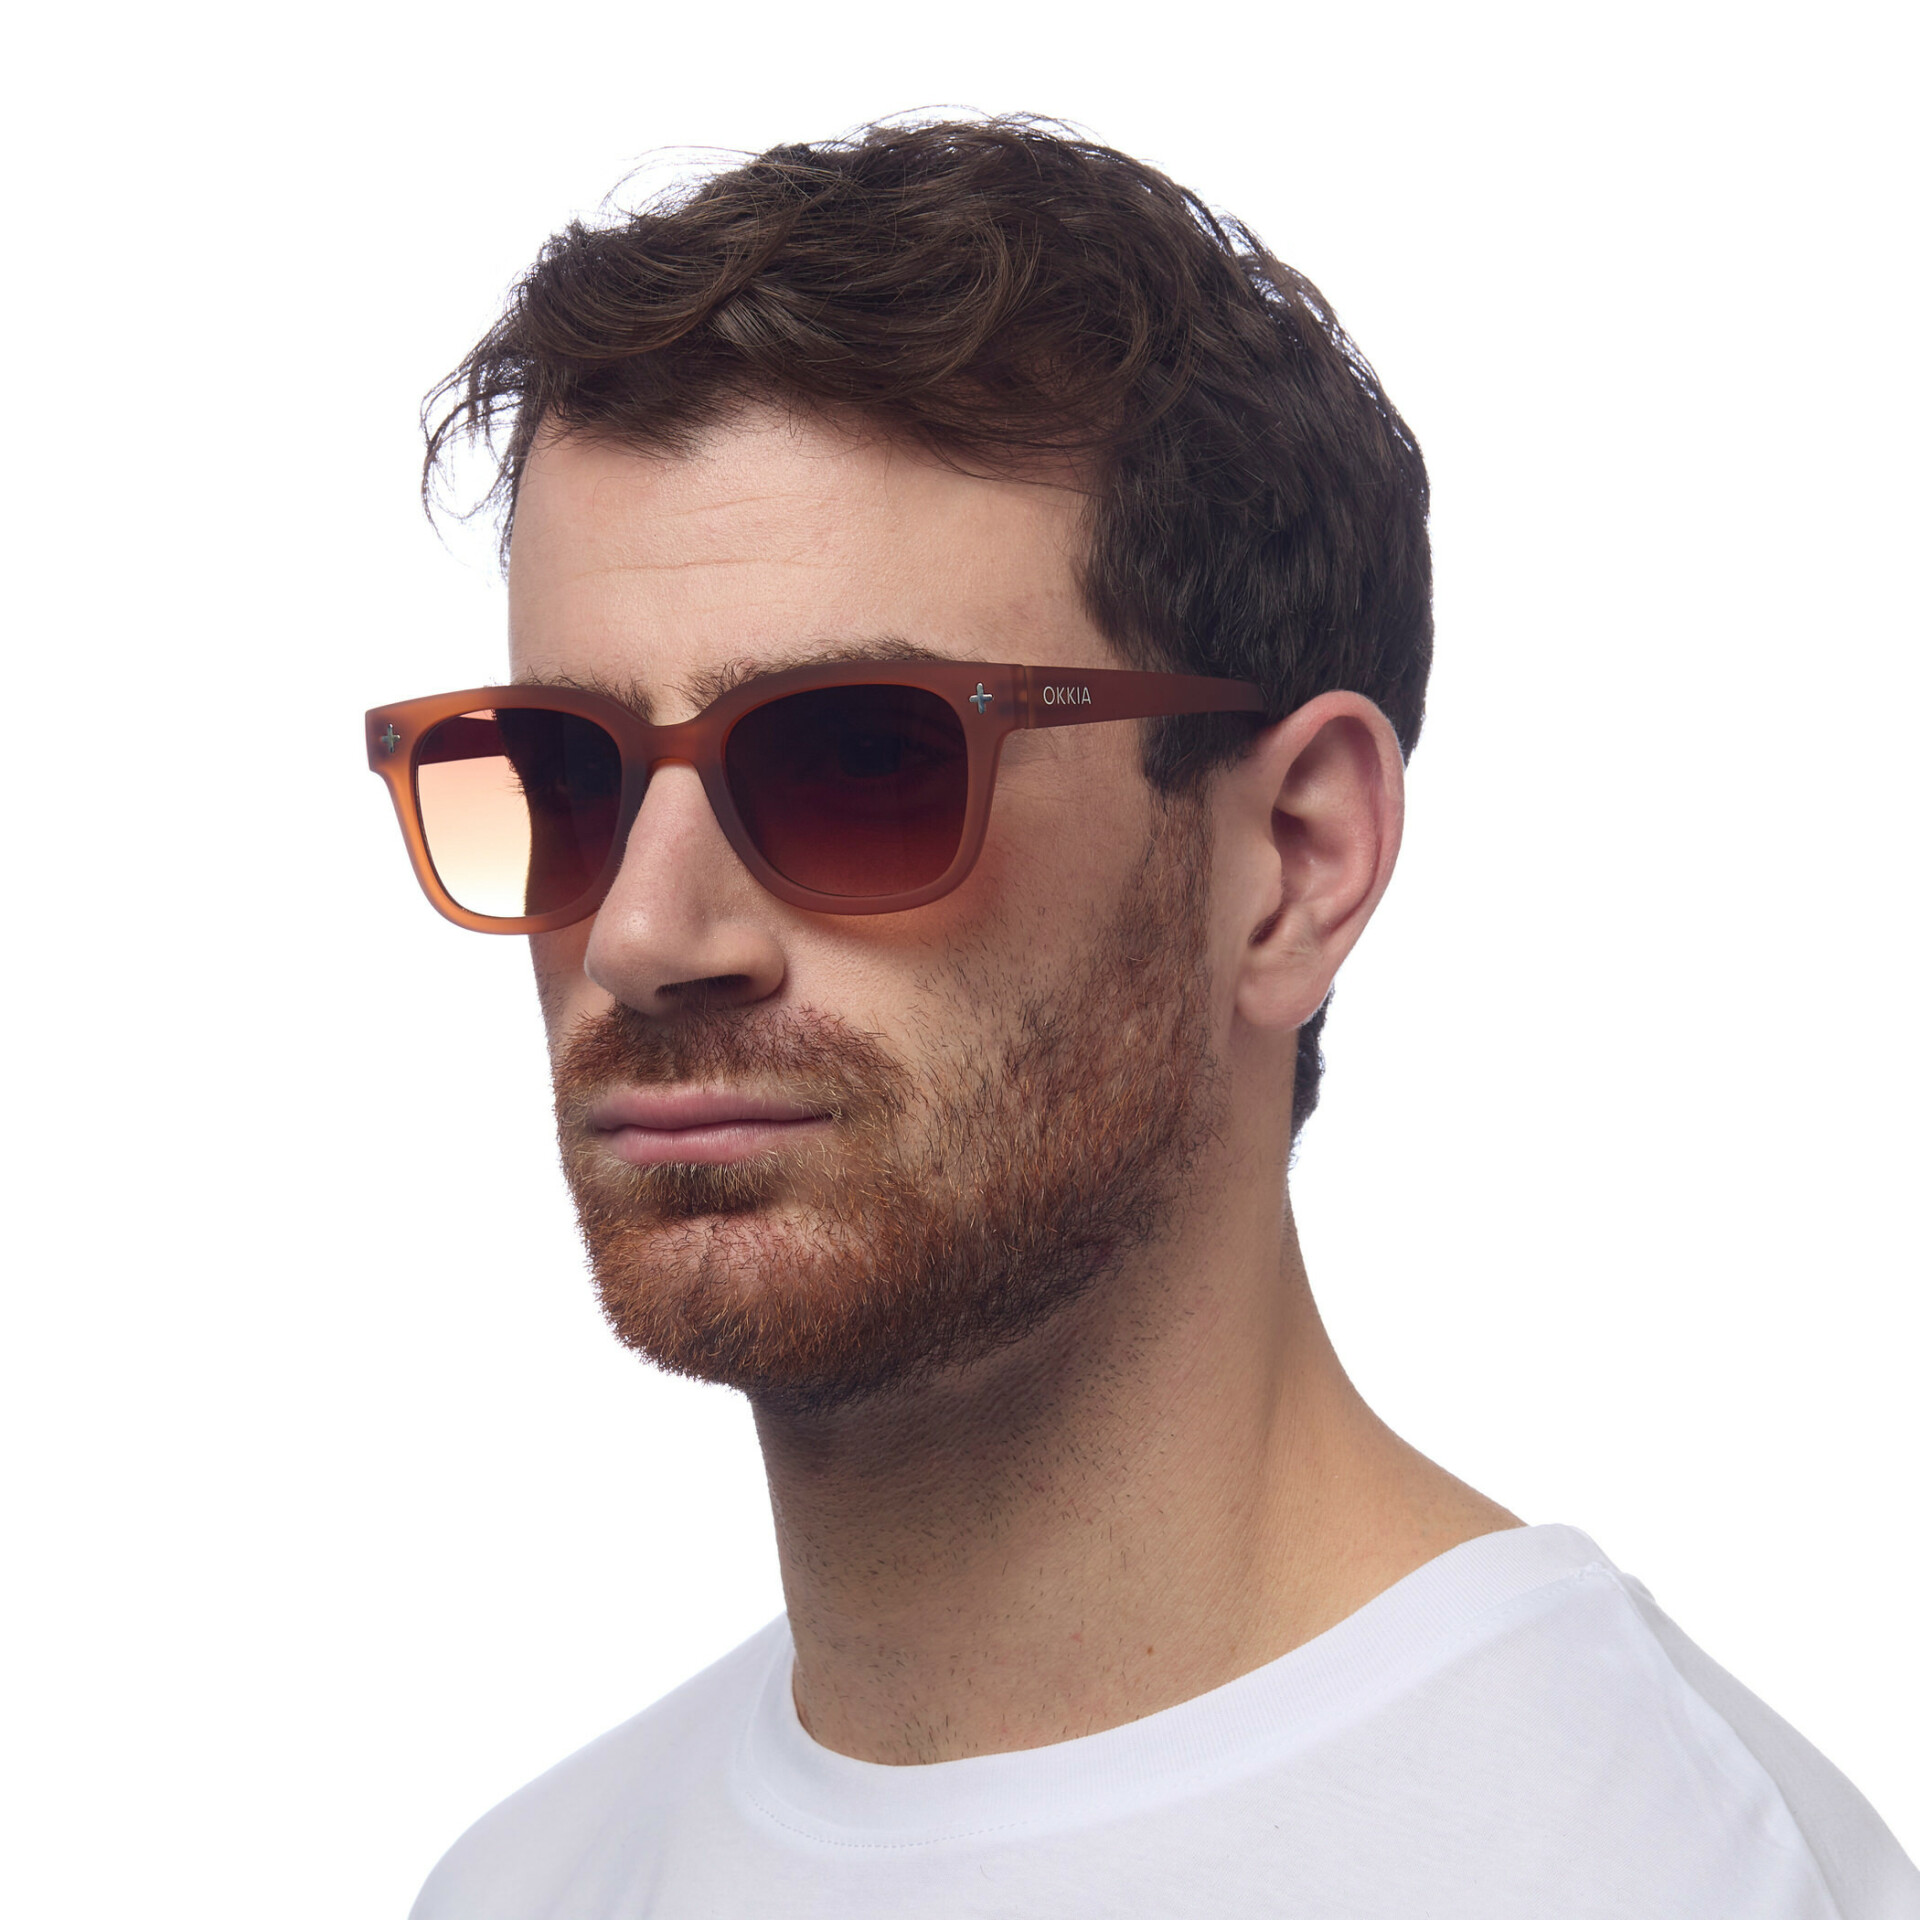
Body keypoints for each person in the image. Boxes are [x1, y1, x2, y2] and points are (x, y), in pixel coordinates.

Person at [369, 118, 1918, 1917]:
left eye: (861, 759)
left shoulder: (1655, 1875)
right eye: (565, 773)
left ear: (1294, 862)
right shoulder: (527, 1883)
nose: (643, 933)